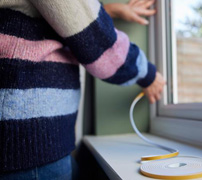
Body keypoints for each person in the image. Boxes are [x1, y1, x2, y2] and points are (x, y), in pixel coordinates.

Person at [0, 0, 165, 179]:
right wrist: (148, 74)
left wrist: (105, 12)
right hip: (27, 145)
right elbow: (95, 39)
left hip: (27, 144)